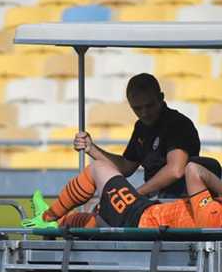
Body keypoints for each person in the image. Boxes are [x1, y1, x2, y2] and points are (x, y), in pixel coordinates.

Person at [21, 159, 222, 231]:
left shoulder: (213, 218)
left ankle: (49, 216)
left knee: (99, 169)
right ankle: (61, 224)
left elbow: (192, 170)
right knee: (98, 220)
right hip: (146, 213)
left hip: (139, 218)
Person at [73, 73, 203, 198]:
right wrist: (91, 148)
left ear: (161, 97)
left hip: (180, 201)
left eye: (149, 106)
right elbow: (126, 167)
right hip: (156, 201)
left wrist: (137, 194)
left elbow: (175, 170)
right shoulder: (141, 127)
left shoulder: (177, 124)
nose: (144, 113)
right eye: (137, 108)